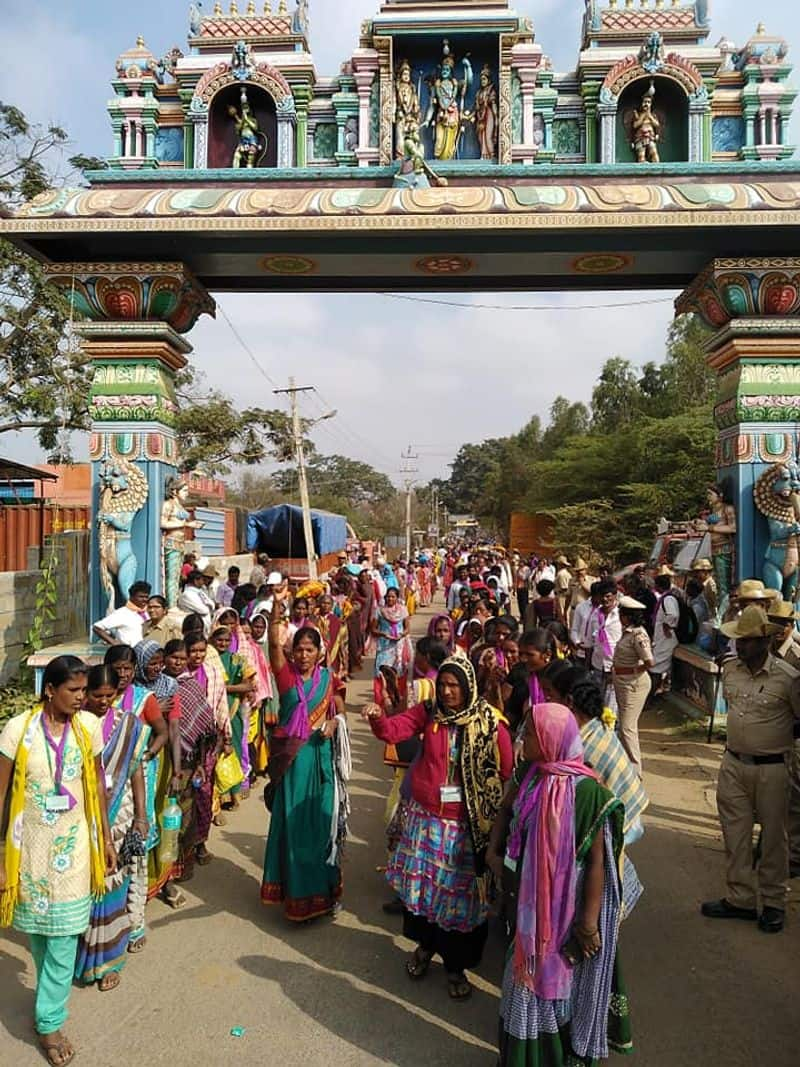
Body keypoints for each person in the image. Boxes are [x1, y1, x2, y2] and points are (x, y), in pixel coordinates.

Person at [488, 702, 632, 1064]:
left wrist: (587, 921)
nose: (525, 739)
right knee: (522, 982)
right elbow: (510, 816)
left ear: (552, 738)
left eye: (532, 733)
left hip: (563, 911)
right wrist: (494, 858)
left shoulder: (588, 793)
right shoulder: (532, 775)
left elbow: (598, 861)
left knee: (553, 987)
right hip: (527, 912)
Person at [363, 656, 512, 1000]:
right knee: (427, 896)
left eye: (454, 685)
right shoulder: (430, 712)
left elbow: (505, 770)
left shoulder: (491, 722)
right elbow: (393, 731)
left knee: (459, 900)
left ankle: (456, 966)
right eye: (443, 684)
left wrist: (482, 804)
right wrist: (379, 716)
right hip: (427, 822)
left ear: (468, 686)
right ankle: (424, 948)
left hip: (466, 828)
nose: (446, 691)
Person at [0, 656, 115, 1067]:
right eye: (74, 691)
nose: (82, 699)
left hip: (75, 849)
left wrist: (104, 837)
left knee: (65, 937)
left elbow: (98, 784)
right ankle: (48, 1003)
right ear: (50, 690)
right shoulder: (19, 729)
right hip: (29, 849)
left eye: (85, 691)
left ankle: (48, 1021)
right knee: (39, 935)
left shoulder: (87, 728)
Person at [701, 606, 800, 933]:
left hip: (772, 768)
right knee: (736, 835)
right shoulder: (730, 671)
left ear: (765, 642)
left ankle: (773, 902)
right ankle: (741, 899)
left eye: (746, 641)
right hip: (733, 763)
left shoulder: (788, 678)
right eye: (737, 640)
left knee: (773, 838)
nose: (739, 646)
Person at [261, 588, 348, 922]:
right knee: (295, 829)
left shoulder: (329, 679)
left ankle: (326, 892)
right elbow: (272, 645)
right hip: (293, 766)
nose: (304, 655)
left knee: (322, 825)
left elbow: (339, 707)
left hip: (321, 760)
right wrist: (277, 611)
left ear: (319, 652)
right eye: (299, 649)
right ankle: (295, 896)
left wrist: (334, 721)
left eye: (310, 650)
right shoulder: (286, 678)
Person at [75, 665, 149, 992]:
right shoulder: (74, 724)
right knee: (84, 888)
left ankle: (110, 960)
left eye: (110, 696)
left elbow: (135, 771)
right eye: (97, 695)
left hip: (118, 815)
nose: (104, 701)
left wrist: (142, 816)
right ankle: (81, 955)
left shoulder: (128, 725)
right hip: (80, 815)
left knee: (113, 883)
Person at [569, 673, 649, 848]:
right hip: (628, 809)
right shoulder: (595, 726)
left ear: (569, 703)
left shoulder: (584, 745)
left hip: (621, 821)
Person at [162, 640, 220, 878]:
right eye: (173, 657)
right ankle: (164, 873)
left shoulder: (191, 686)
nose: (177, 662)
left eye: (181, 658)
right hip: (160, 757)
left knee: (185, 813)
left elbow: (206, 725)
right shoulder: (158, 685)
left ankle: (184, 865)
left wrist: (199, 764)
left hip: (186, 762)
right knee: (163, 815)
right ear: (165, 658)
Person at [612, 596, 654, 776]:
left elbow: (649, 661)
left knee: (627, 727)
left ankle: (635, 771)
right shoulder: (627, 632)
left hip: (633, 683)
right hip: (622, 682)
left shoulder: (638, 635)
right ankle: (626, 764)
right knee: (624, 724)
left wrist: (634, 670)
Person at [93, 580, 151, 647]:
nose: (144, 599)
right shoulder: (122, 613)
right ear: (131, 597)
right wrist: (114, 643)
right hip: (130, 653)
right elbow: (97, 627)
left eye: (146, 597)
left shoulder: (148, 612)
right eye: (141, 597)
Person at [650, 569, 680, 694]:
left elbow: (672, 615)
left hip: (666, 639)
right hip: (661, 638)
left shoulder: (668, 599)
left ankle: (651, 695)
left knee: (656, 668)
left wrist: (667, 626)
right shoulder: (665, 598)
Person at [373, 586, 412, 677]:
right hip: (384, 645)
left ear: (397, 598)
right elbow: (373, 629)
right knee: (382, 671)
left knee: (397, 671)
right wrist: (383, 634)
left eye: (393, 597)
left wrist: (401, 635)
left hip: (398, 645)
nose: (390, 599)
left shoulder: (403, 610)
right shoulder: (379, 611)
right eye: (388, 596)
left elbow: (407, 628)